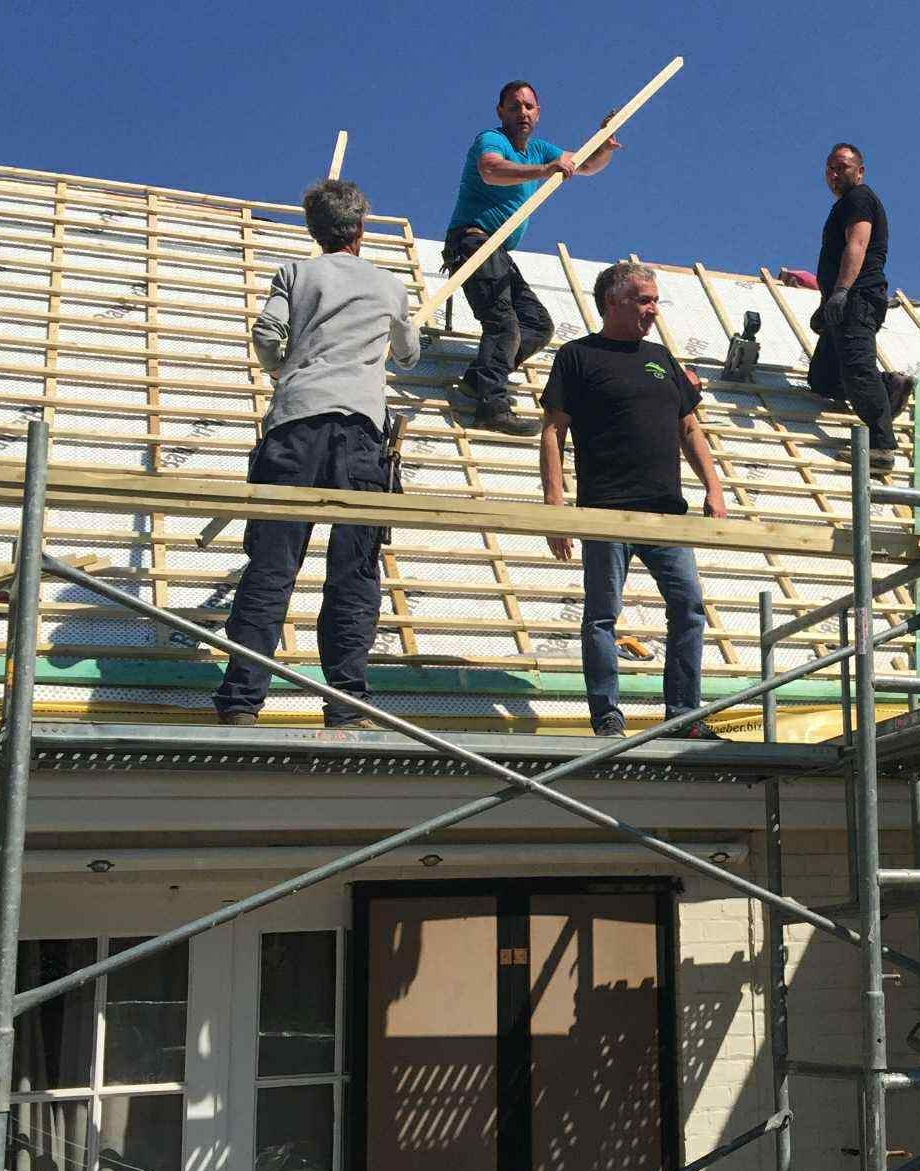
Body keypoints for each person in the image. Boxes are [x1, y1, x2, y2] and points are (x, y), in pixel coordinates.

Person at [213, 178, 417, 727]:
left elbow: (266, 335)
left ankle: (241, 702)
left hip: (294, 428)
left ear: (314, 229)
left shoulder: (294, 273)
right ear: (361, 228)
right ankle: (347, 705)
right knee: (354, 570)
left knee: (272, 566)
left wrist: (286, 372)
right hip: (359, 435)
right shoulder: (387, 284)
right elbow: (408, 355)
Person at [540, 261, 727, 739]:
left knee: (689, 607)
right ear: (613, 301)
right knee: (602, 615)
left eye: (655, 300)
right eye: (644, 300)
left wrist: (713, 486)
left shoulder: (660, 358)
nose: (653, 310)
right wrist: (554, 505)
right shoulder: (578, 356)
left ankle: (683, 716)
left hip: (666, 515)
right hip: (607, 510)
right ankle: (606, 715)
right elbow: (553, 432)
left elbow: (690, 428)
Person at [443, 80, 619, 436]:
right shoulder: (492, 140)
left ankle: (478, 379)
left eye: (528, 107)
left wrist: (604, 144)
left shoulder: (538, 149)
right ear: (501, 112)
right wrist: (545, 170)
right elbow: (491, 169)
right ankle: (491, 407)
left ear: (537, 112)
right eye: (514, 107)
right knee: (502, 322)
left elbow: (583, 165)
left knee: (537, 325)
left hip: (497, 250)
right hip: (473, 241)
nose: (522, 112)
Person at [806, 143, 912, 471]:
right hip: (842, 303)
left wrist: (841, 292)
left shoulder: (859, 198)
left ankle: (882, 448)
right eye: (830, 168)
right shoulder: (844, 204)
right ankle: (890, 388)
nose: (834, 174)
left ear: (860, 171)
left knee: (857, 369)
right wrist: (827, 304)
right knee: (823, 379)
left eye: (842, 167)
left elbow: (858, 243)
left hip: (857, 298)